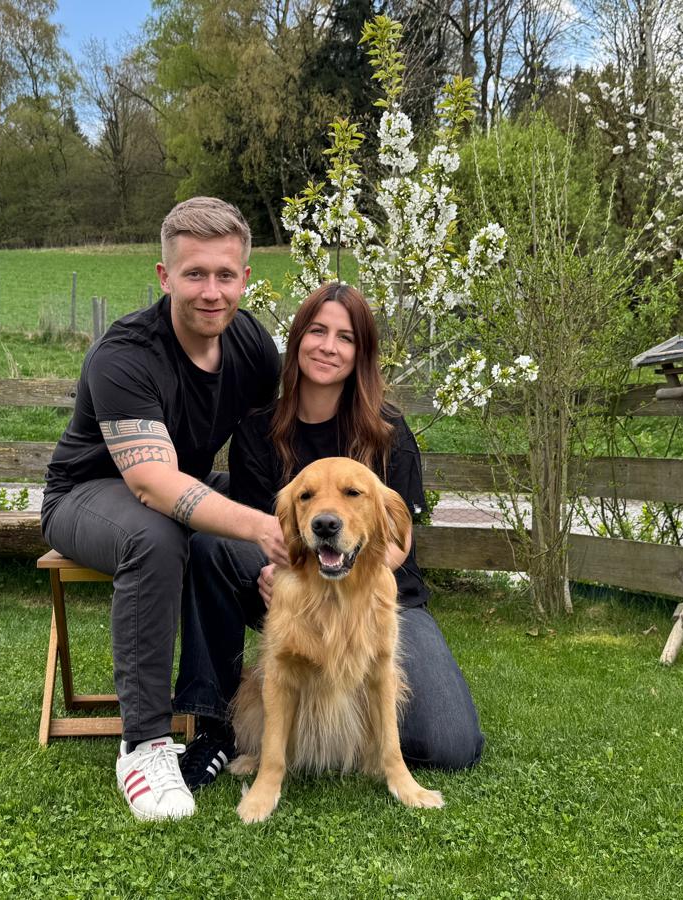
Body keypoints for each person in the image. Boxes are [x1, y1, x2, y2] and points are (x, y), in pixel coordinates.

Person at [172, 281, 485, 791]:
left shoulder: (387, 432)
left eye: (345, 336)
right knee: (206, 545)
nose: (328, 346)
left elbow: (400, 544)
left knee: (453, 744)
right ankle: (214, 724)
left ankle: (353, 727)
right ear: (296, 342)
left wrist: (342, 571)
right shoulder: (257, 431)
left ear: (361, 352)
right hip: (292, 584)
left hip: (381, 598)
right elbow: (258, 530)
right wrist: (279, 572)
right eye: (317, 331)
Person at [41, 197, 285, 822]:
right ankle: (145, 745)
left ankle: (226, 718)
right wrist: (262, 527)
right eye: (195, 273)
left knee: (234, 523)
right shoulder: (125, 354)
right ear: (164, 276)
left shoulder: (251, 345)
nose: (211, 291)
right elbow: (153, 485)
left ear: (245, 279)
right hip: (89, 497)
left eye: (225, 275)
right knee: (158, 533)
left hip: (183, 490)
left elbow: (283, 430)